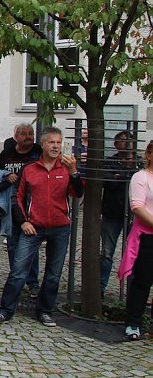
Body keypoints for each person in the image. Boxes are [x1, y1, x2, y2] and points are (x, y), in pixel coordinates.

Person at [0, 127, 82, 328]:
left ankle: (45, 311)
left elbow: (77, 193)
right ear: (43, 145)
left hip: (60, 227)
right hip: (33, 226)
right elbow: (17, 197)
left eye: (59, 142)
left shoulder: (65, 168)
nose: (56, 146)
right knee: (18, 270)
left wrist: (74, 173)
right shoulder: (30, 168)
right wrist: (24, 221)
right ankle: (5, 310)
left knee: (53, 273)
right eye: (51, 142)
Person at [0, 123, 43, 298]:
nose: (28, 136)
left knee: (32, 245)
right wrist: (6, 175)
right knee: (13, 245)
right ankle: (16, 280)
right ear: (16, 136)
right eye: (23, 134)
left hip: (33, 207)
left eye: (30, 133)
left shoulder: (39, 151)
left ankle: (32, 282)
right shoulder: (7, 153)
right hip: (12, 207)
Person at [119, 140, 153, 340]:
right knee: (142, 281)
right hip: (147, 238)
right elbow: (137, 207)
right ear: (149, 155)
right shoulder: (141, 177)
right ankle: (133, 323)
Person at [100, 131, 138, 294]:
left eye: (129, 140)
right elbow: (108, 183)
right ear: (116, 145)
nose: (127, 143)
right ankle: (100, 287)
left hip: (134, 216)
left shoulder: (139, 163)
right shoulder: (109, 162)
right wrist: (123, 176)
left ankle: (133, 289)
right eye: (122, 141)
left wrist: (120, 176)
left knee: (135, 253)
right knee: (107, 253)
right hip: (112, 213)